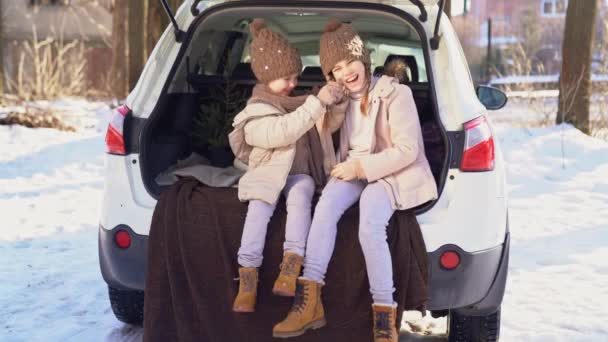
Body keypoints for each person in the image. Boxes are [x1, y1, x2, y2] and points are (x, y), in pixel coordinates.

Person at [273, 20, 438, 342]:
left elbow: (407, 150)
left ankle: (384, 315)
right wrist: (330, 117)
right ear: (330, 76)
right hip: (355, 168)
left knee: (369, 224)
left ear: (363, 59)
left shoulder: (396, 93)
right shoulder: (344, 100)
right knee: (324, 210)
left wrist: (360, 168)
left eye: (349, 61)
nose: (345, 72)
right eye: (335, 68)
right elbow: (331, 147)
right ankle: (309, 304)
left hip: (391, 173)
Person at [228, 19, 345, 313]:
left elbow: (323, 124)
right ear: (267, 76)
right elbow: (283, 131)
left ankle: (291, 266)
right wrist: (316, 102)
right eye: (288, 78)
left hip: (298, 174)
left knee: (302, 195)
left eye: (296, 77)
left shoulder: (297, 103)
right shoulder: (254, 111)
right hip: (266, 174)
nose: (294, 84)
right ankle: (248, 278)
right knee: (258, 210)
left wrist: (334, 101)